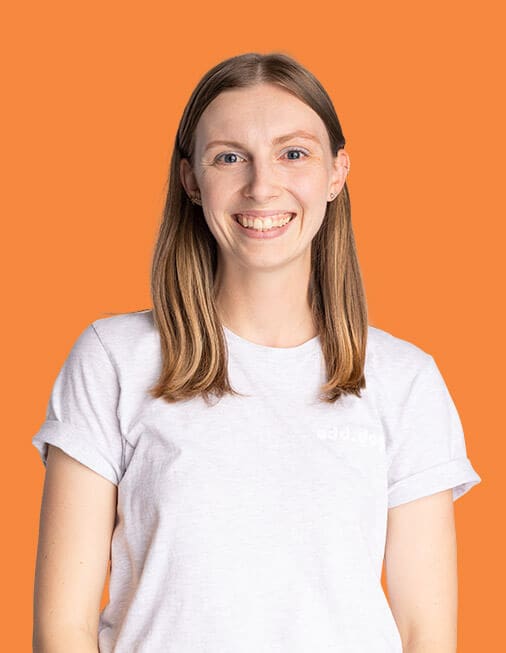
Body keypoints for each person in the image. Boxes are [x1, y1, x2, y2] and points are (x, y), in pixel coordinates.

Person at [32, 52, 482, 652]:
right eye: (229, 157)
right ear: (191, 180)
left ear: (337, 173)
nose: (262, 186)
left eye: (293, 153)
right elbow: (62, 628)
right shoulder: (113, 359)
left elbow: (427, 633)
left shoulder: (405, 381)